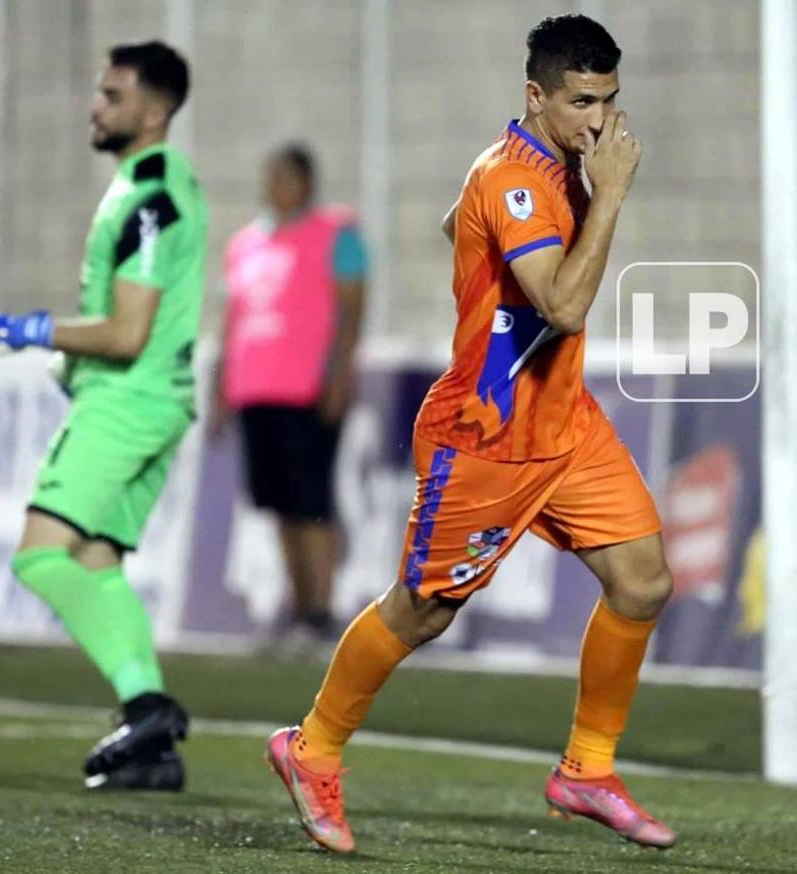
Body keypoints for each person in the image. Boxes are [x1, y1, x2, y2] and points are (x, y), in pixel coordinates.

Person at [264, 14, 676, 854]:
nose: (598, 122)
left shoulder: (546, 168)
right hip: (486, 434)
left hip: (565, 425)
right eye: (581, 102)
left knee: (642, 581)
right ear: (536, 95)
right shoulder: (516, 178)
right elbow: (562, 305)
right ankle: (311, 749)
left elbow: (458, 225)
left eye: (609, 102)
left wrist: (492, 261)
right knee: (422, 613)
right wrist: (614, 196)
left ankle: (587, 770)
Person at [0, 41, 208, 791]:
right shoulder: (154, 184)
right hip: (154, 399)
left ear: (154, 111)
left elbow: (128, 332)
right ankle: (150, 749)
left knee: (38, 556)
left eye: (112, 95)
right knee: (96, 563)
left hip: (128, 399)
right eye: (99, 92)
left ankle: (152, 706)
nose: (96, 106)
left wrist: (22, 330)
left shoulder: (150, 199)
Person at [215, 144, 368, 652]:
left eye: (285, 176)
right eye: (270, 175)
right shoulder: (244, 245)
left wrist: (338, 377)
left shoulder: (337, 235)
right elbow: (232, 322)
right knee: (280, 506)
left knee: (313, 504)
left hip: (309, 391)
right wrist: (221, 392)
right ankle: (299, 609)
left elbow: (351, 310)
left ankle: (322, 614)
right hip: (256, 393)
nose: (275, 184)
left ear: (307, 182)